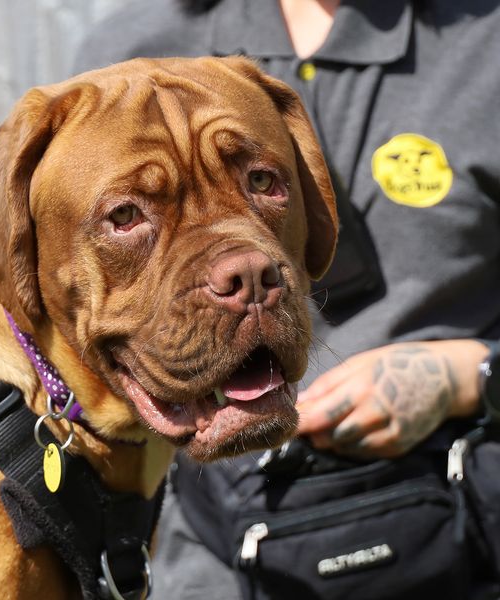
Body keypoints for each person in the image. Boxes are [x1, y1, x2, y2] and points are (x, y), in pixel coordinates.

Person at [75, 1, 500, 598]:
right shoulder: (135, 53)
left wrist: (467, 374)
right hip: (200, 554)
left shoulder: (485, 47)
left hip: (457, 530)